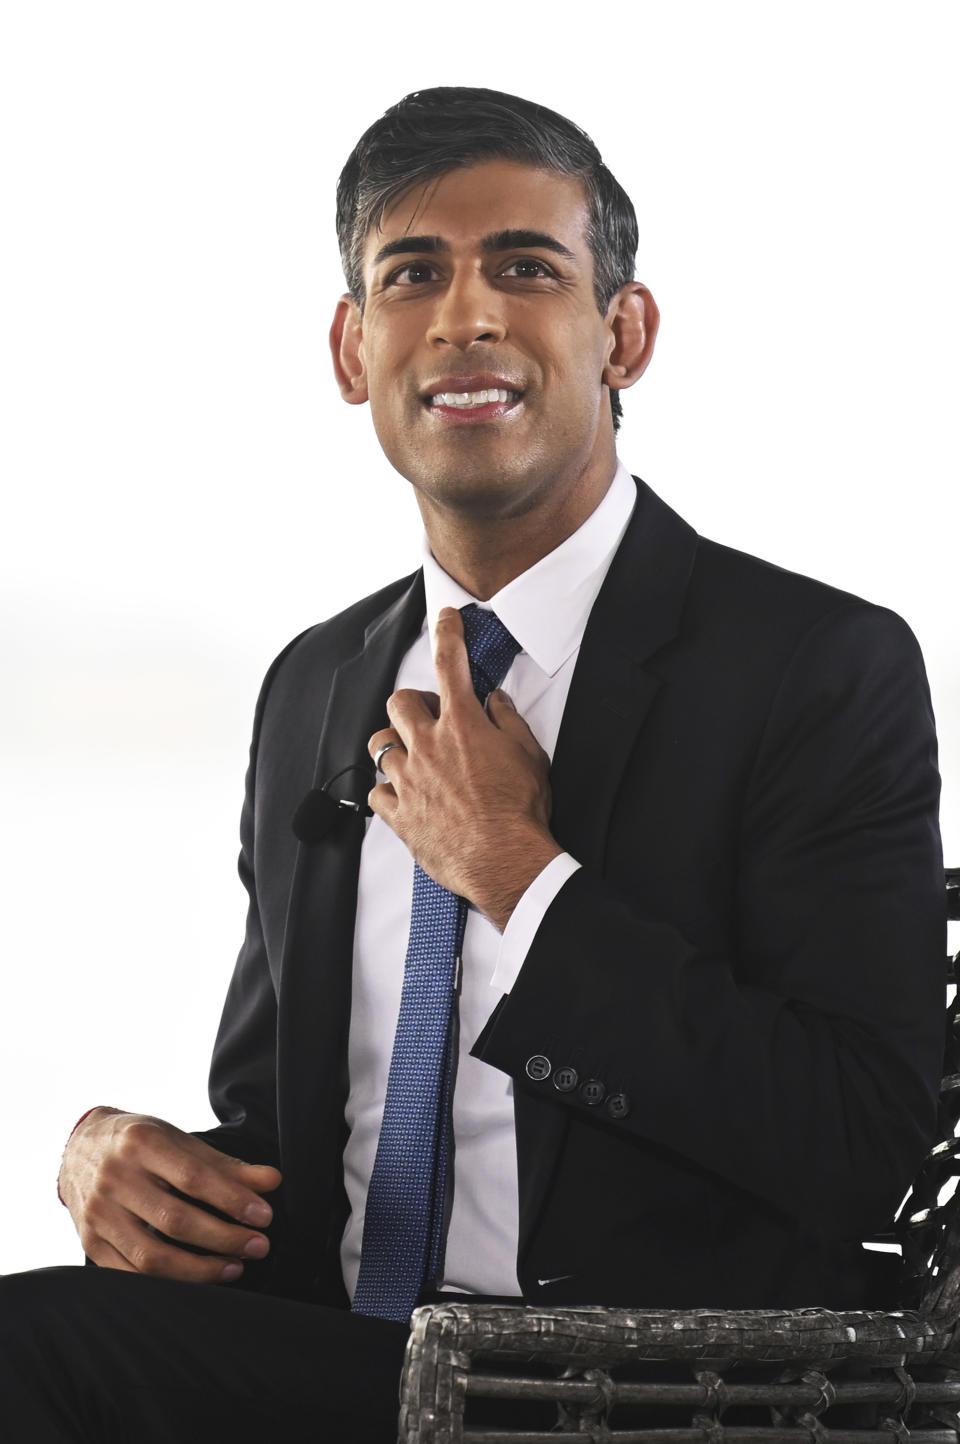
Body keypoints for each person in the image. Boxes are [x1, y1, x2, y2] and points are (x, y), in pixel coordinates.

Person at [0, 86, 946, 1442]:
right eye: (413, 276)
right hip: (350, 1366)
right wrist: (124, 1173)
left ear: (623, 333)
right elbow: (286, 1131)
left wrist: (520, 873)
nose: (467, 316)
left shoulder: (814, 667)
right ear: (351, 347)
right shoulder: (316, 687)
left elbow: (863, 1149)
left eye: (525, 267)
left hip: (645, 1394)